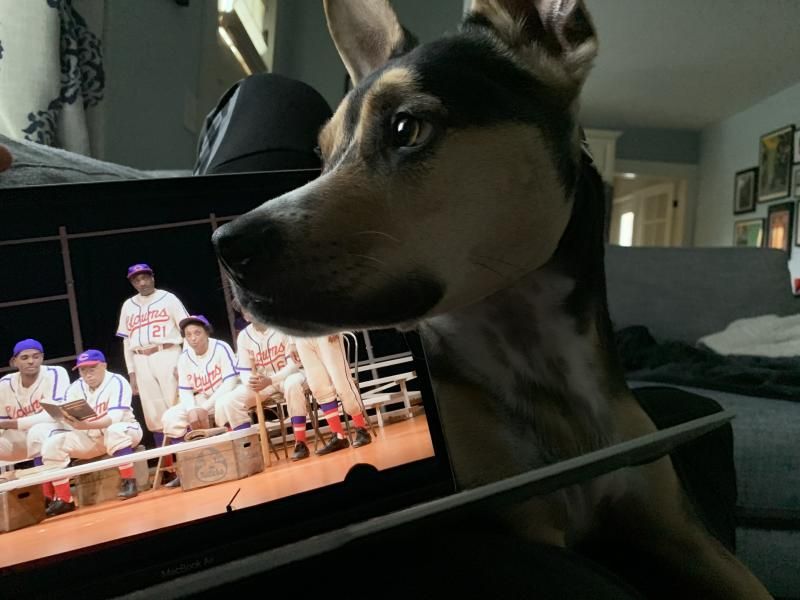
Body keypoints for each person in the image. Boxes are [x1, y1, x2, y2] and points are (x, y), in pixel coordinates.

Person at [41, 349, 144, 517]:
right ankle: (65, 500)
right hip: (91, 438)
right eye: (83, 370)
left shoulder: (117, 381)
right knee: (52, 444)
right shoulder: (75, 388)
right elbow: (69, 417)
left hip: (126, 430)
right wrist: (66, 419)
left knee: (114, 431)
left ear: (103, 365)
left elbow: (115, 417)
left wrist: (86, 425)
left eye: (92, 368)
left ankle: (129, 483)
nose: (87, 374)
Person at [116, 263, 189, 456]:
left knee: (176, 407)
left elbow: (187, 328)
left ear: (152, 277)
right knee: (153, 414)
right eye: (137, 280)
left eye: (144, 277)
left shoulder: (168, 298)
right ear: (132, 283)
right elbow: (126, 342)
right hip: (140, 359)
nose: (142, 282)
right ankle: (169, 468)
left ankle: (188, 458)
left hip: (167, 353)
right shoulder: (128, 305)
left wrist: (185, 361)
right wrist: (131, 372)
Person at [214, 311, 308, 460]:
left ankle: (300, 442)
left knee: (292, 384)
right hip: (263, 382)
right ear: (244, 316)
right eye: (246, 310)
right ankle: (248, 451)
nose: (250, 313)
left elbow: (294, 365)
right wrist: (251, 381)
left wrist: (270, 380)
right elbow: (244, 370)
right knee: (230, 400)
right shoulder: (244, 336)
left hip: (289, 375)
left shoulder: (281, 325)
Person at [160, 315, 239, 486]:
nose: (193, 338)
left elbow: (230, 382)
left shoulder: (220, 347)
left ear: (206, 332)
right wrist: (191, 410)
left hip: (224, 394)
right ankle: (186, 470)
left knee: (223, 406)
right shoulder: (184, 357)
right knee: (170, 417)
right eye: (188, 335)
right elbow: (185, 390)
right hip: (202, 398)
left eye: (197, 333)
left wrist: (203, 408)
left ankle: (232, 461)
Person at [0, 339, 71, 506]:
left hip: (58, 432)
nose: (31, 361)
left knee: (37, 431)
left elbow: (56, 414)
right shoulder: (4, 384)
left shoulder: (55, 373)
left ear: (42, 358)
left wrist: (15, 424)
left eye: (35, 356)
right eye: (24, 358)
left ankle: (57, 498)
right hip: (22, 439)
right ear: (14, 361)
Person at [293, 334, 372, 455]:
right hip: (300, 332)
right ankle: (338, 436)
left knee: (341, 380)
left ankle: (362, 429)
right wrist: (291, 342)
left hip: (323, 327)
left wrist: (334, 324)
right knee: (318, 386)